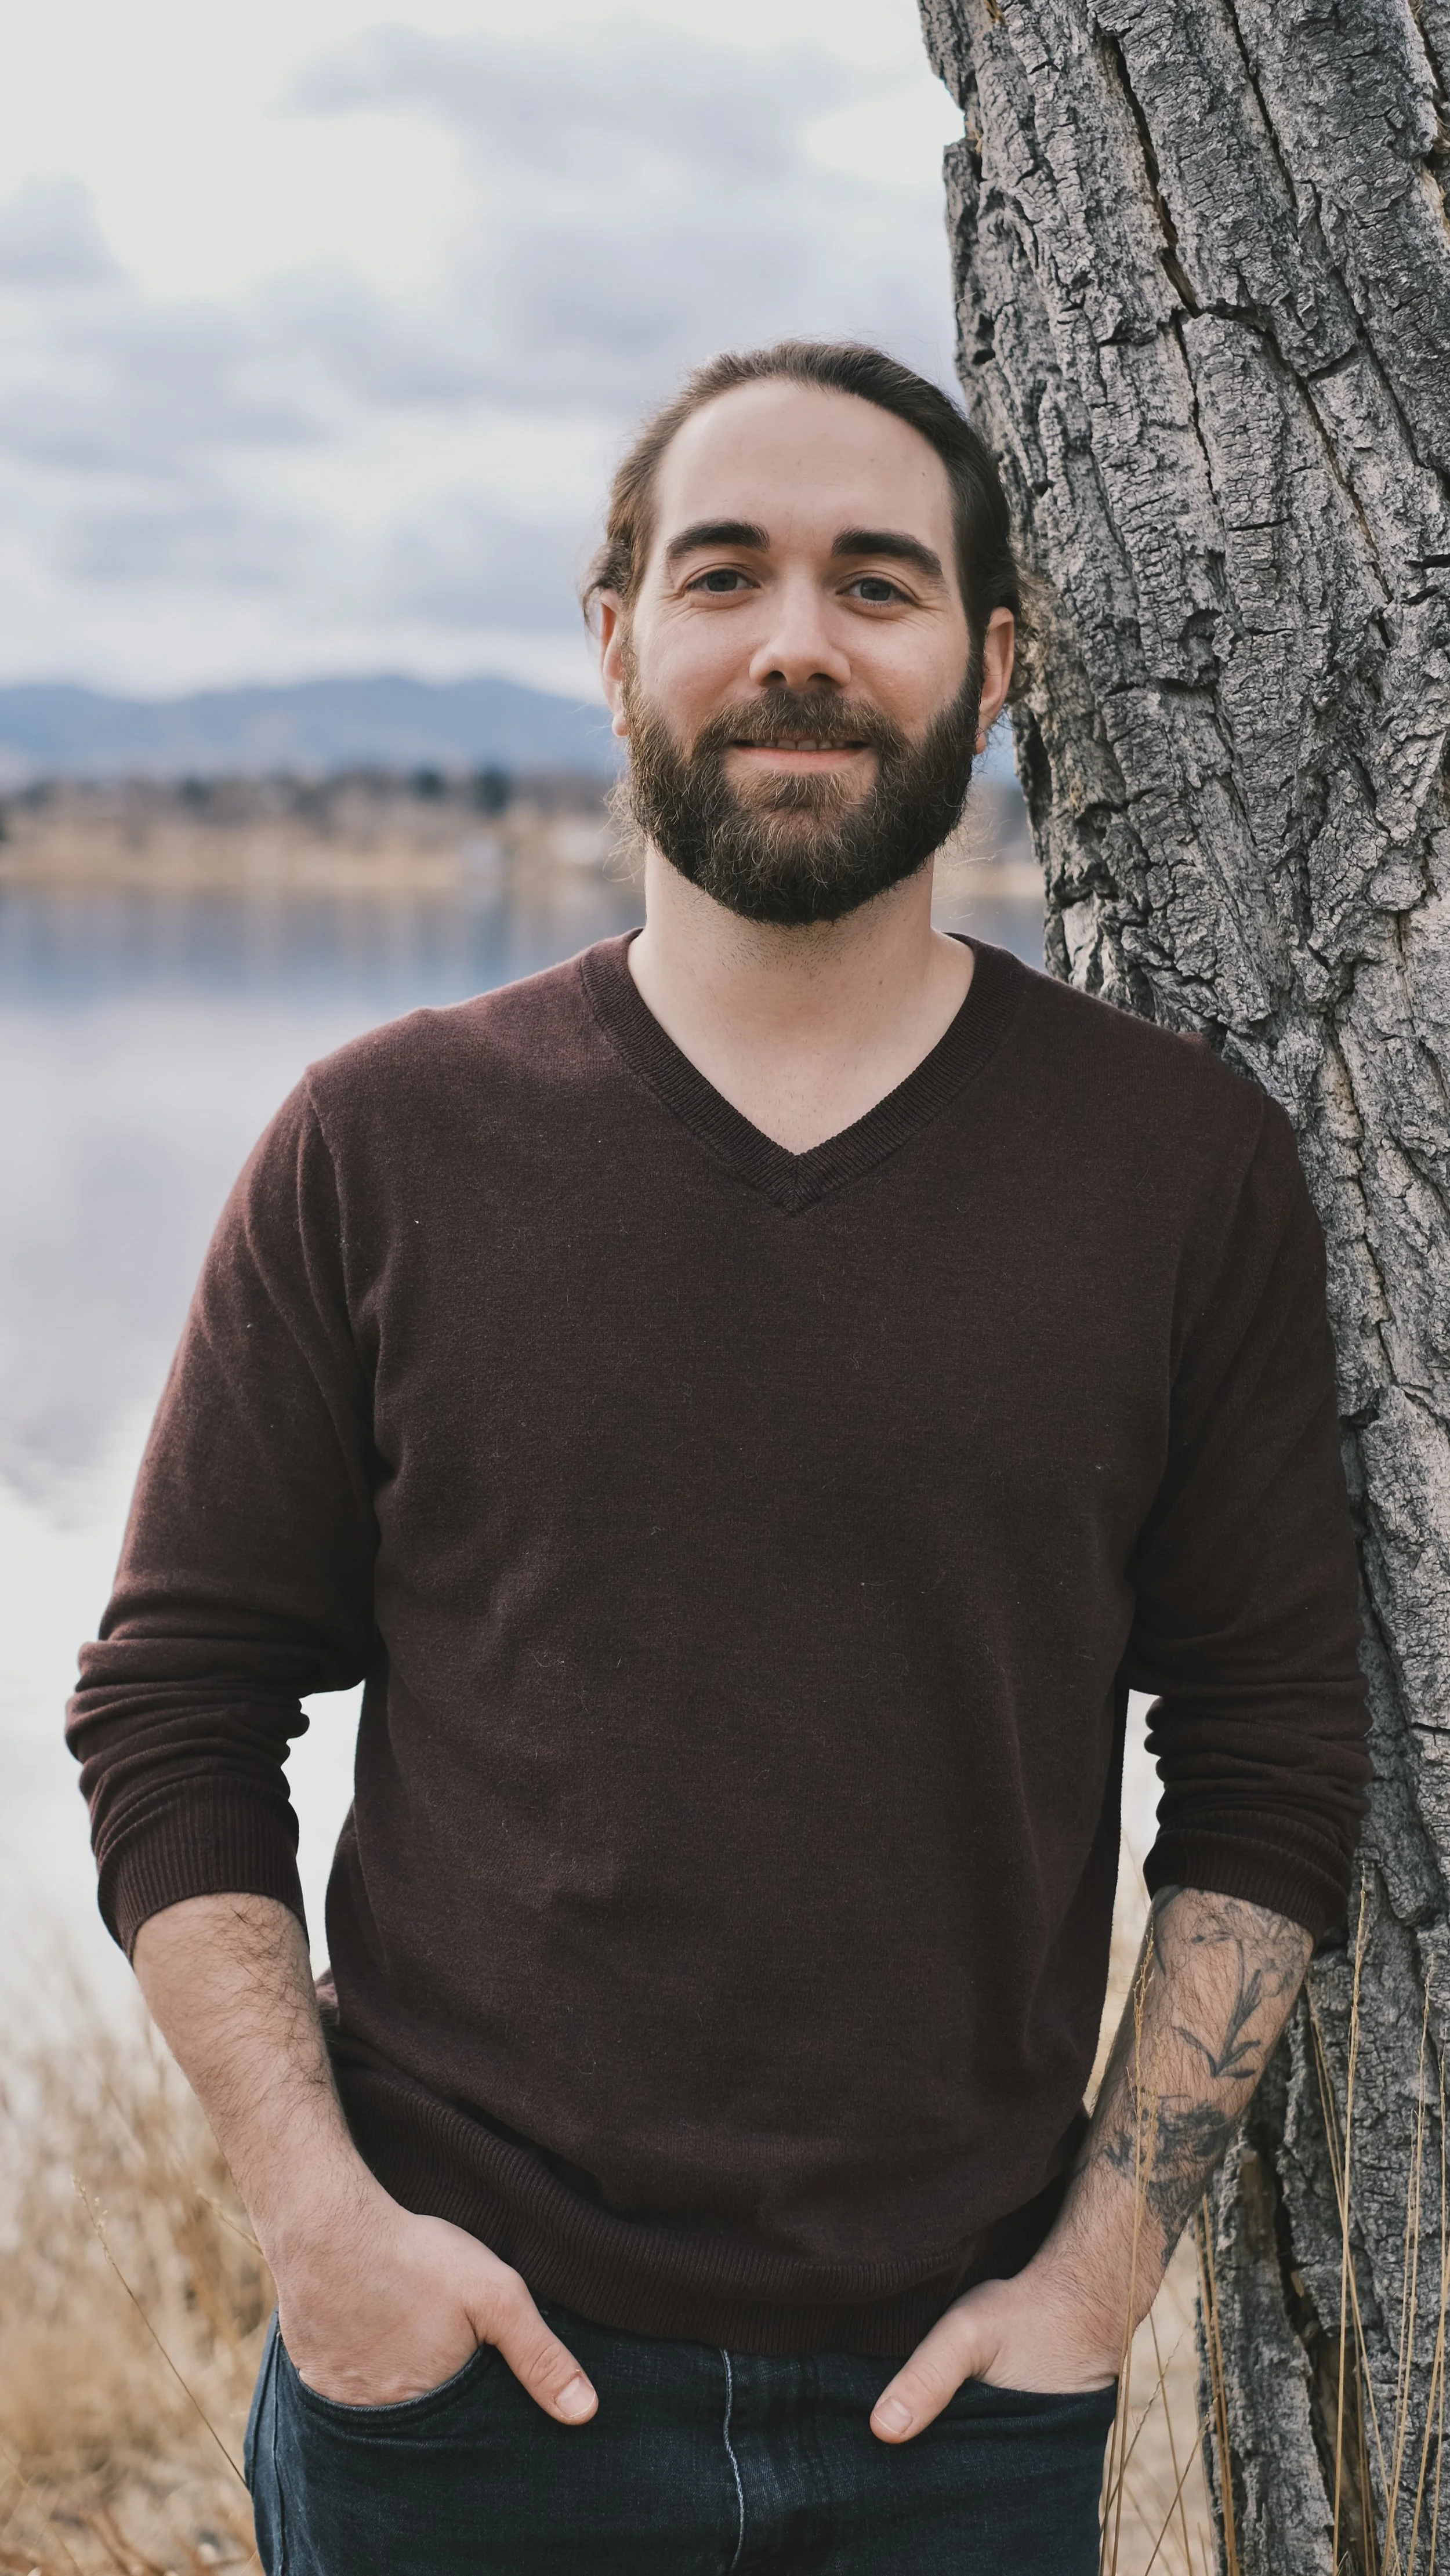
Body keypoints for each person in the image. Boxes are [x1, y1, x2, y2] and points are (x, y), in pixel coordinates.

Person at [69, 340, 1371, 2575]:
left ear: (993, 655)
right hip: (453, 2401)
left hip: (951, 2422)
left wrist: (1095, 2288)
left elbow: (1267, 1744)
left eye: (878, 583)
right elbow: (174, 1710)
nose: (794, 643)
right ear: (615, 641)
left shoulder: (1173, 1168)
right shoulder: (382, 1147)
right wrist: (324, 2226)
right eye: (722, 573)